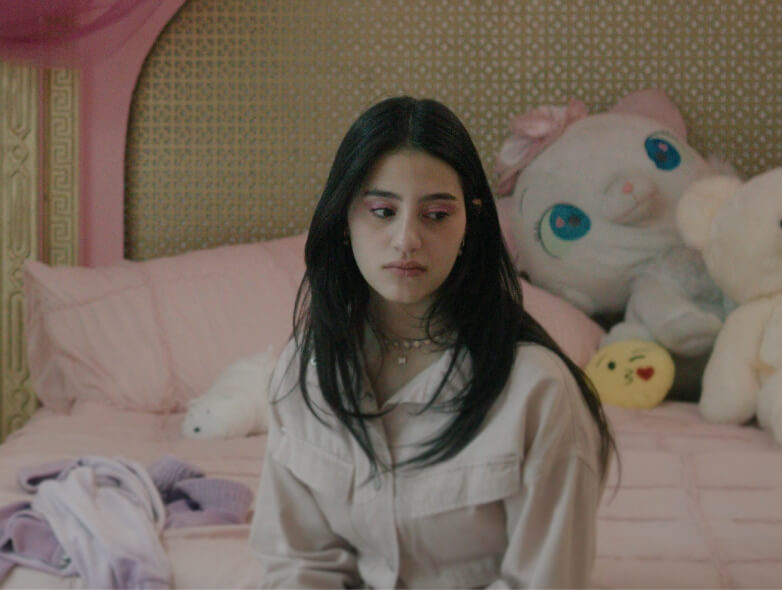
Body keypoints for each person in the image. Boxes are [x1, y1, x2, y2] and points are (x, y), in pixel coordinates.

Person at [250, 96, 615, 588]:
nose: (406, 239)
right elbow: (297, 563)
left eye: (437, 215)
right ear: (345, 220)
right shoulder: (306, 369)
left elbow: (543, 582)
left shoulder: (539, 392)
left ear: (469, 224)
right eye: (382, 211)